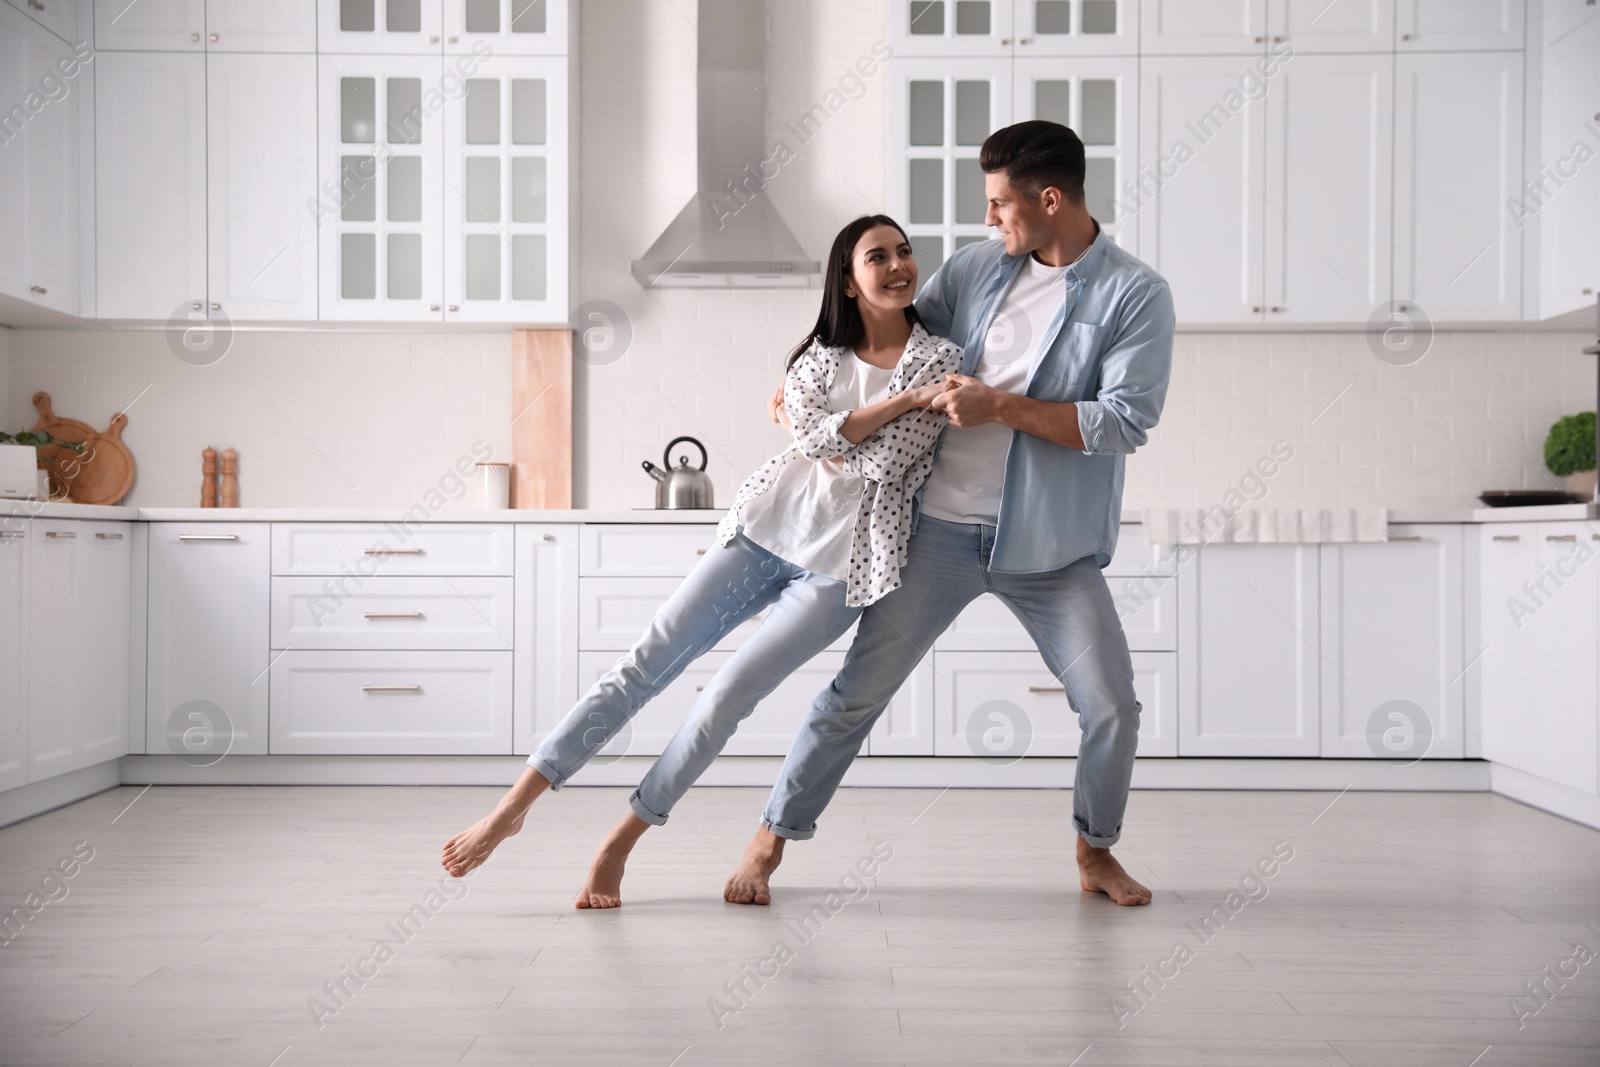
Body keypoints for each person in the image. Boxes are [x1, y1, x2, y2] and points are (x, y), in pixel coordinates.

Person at [441, 215, 962, 907]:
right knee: (641, 667)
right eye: (878, 256)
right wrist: (892, 405)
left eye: (905, 252)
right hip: (762, 531)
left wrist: (825, 432)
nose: (899, 265)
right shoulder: (822, 357)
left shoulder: (942, 360)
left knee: (724, 699)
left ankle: (622, 839)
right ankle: (511, 808)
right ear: (847, 277)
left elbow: (887, 461)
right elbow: (813, 441)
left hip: (845, 569)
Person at [724, 120, 1175, 908]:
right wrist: (799, 380)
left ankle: (1096, 851)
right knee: (855, 695)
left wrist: (1000, 404)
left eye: (1000, 204)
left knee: (1111, 704)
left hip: (1051, 545)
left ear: (1049, 198)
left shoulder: (1134, 294)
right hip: (933, 530)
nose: (990, 220)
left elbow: (1122, 422)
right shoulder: (975, 272)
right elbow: (877, 330)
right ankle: (769, 839)